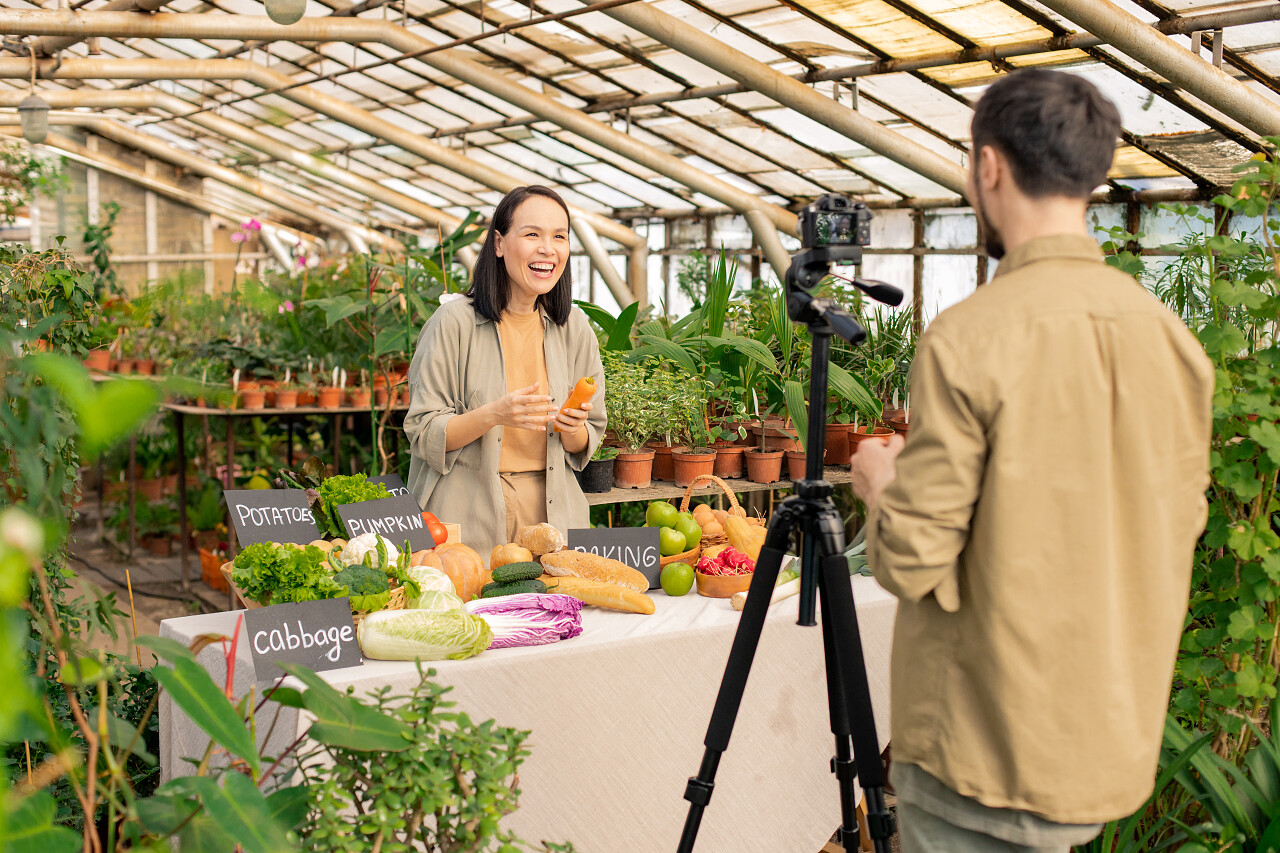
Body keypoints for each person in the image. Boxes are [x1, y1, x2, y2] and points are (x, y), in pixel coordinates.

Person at [849, 69, 1213, 852]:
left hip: (981, 747)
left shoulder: (972, 337)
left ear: (989, 167)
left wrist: (883, 485)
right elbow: (1175, 520)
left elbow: (914, 558)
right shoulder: (1170, 340)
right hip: (1100, 743)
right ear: (1093, 171)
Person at [403, 185, 605, 562]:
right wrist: (494, 415)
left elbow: (587, 439)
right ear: (499, 243)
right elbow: (423, 431)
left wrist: (573, 426)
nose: (548, 248)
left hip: (552, 517)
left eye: (559, 236)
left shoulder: (574, 327)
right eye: (532, 234)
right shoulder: (453, 322)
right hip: (468, 512)